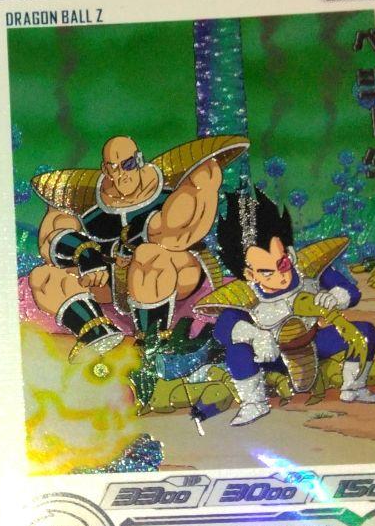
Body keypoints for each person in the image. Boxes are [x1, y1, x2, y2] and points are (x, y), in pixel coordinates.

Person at [27, 133, 248, 361]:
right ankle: (97, 332)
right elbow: (50, 241)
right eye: (114, 168)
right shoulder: (86, 198)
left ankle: (152, 342)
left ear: (139, 160)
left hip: (172, 271)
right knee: (43, 277)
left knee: (148, 254)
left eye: (128, 165)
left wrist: (140, 233)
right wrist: (87, 255)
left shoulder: (167, 185)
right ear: (105, 169)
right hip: (112, 278)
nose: (122, 174)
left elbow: (177, 234)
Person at [195, 188, 375, 427]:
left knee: (366, 332)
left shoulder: (308, 272)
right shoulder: (245, 294)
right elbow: (222, 328)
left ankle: (354, 386)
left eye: (282, 263)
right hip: (273, 356)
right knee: (237, 351)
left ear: (289, 254)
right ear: (249, 274)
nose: (280, 275)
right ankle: (254, 403)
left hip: (314, 342)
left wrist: (337, 296)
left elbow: (351, 291)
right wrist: (254, 336)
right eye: (266, 272)